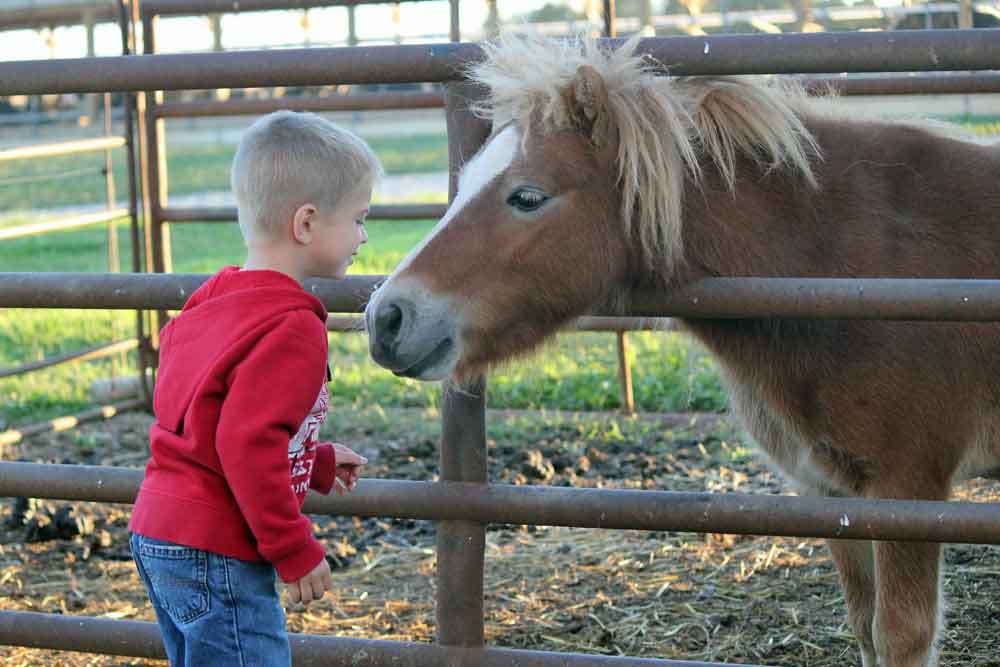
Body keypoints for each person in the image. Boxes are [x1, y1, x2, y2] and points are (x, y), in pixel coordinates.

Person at [128, 110, 382, 666]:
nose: (364, 235)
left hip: (160, 534)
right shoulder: (292, 325)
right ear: (307, 223)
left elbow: (210, 420)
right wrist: (294, 548)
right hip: (218, 549)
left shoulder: (216, 295)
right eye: (359, 219)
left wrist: (310, 460)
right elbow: (244, 444)